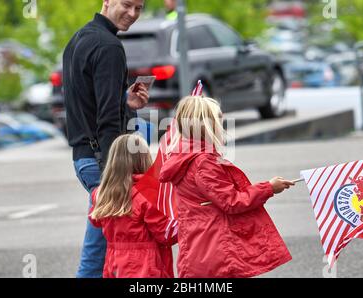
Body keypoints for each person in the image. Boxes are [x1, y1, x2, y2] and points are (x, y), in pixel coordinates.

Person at [159, 96, 294, 278]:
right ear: (206, 126)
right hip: (215, 249)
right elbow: (231, 202)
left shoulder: (182, 156)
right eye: (218, 120)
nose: (221, 126)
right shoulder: (202, 162)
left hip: (196, 247)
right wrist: (268, 187)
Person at [62, 0, 148, 278]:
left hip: (84, 158)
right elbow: (107, 119)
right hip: (104, 162)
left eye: (139, 8)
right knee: (98, 259)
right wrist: (115, 172)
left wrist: (126, 102)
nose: (132, 14)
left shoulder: (78, 38)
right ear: (107, 1)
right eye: (127, 5)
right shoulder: (110, 47)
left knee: (106, 253)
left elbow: (92, 102)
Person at [88, 134, 177, 278]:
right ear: (143, 160)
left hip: (115, 265)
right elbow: (166, 234)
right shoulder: (147, 194)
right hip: (146, 266)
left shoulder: (101, 194)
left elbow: (95, 221)